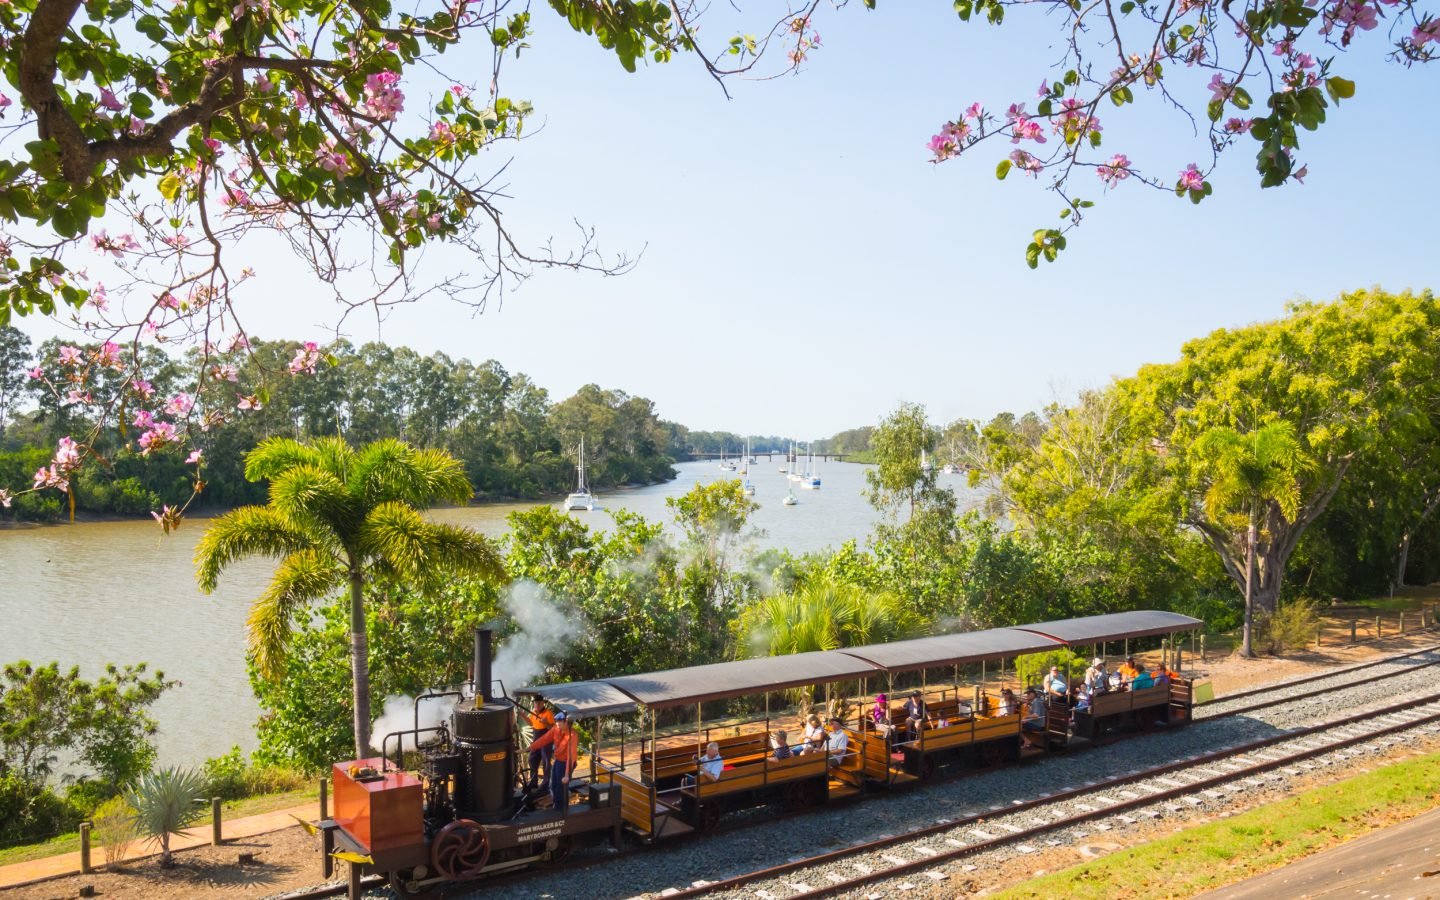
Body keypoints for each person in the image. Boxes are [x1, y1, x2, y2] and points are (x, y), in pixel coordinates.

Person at [527, 710, 578, 813]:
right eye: (556, 721)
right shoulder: (555, 729)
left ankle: (561, 809)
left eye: (560, 721)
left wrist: (567, 774)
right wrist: (530, 748)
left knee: (560, 787)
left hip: (567, 762)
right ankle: (557, 805)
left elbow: (570, 757)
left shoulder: (572, 735)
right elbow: (544, 739)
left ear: (566, 722)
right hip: (558, 760)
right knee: (552, 785)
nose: (557, 723)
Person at [525, 698, 556, 790]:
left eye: (539, 703)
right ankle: (533, 782)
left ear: (543, 704)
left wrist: (546, 723)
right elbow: (530, 724)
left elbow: (552, 729)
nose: (537, 705)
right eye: (536, 703)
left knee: (546, 761)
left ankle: (545, 783)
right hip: (536, 739)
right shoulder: (533, 712)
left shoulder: (548, 713)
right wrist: (523, 715)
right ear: (534, 704)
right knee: (531, 759)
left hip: (546, 740)